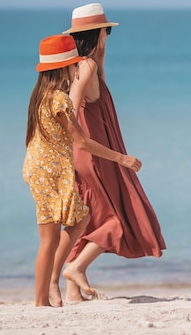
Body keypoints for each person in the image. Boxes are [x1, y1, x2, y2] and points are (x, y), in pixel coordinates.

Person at [22, 34, 142, 307]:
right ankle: (46, 295)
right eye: (74, 65)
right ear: (64, 67)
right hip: (51, 172)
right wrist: (121, 158)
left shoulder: (38, 95)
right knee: (52, 238)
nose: (78, 69)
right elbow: (83, 142)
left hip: (36, 168)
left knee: (74, 223)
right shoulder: (60, 100)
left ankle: (49, 292)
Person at [61, 3, 166, 302]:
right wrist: (121, 158)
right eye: (106, 31)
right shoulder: (87, 67)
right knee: (117, 220)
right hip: (96, 156)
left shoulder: (82, 65)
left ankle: (72, 292)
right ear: (98, 34)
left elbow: (93, 91)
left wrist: (100, 54)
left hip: (84, 155)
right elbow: (71, 106)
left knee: (90, 220)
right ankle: (77, 267)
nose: (108, 36)